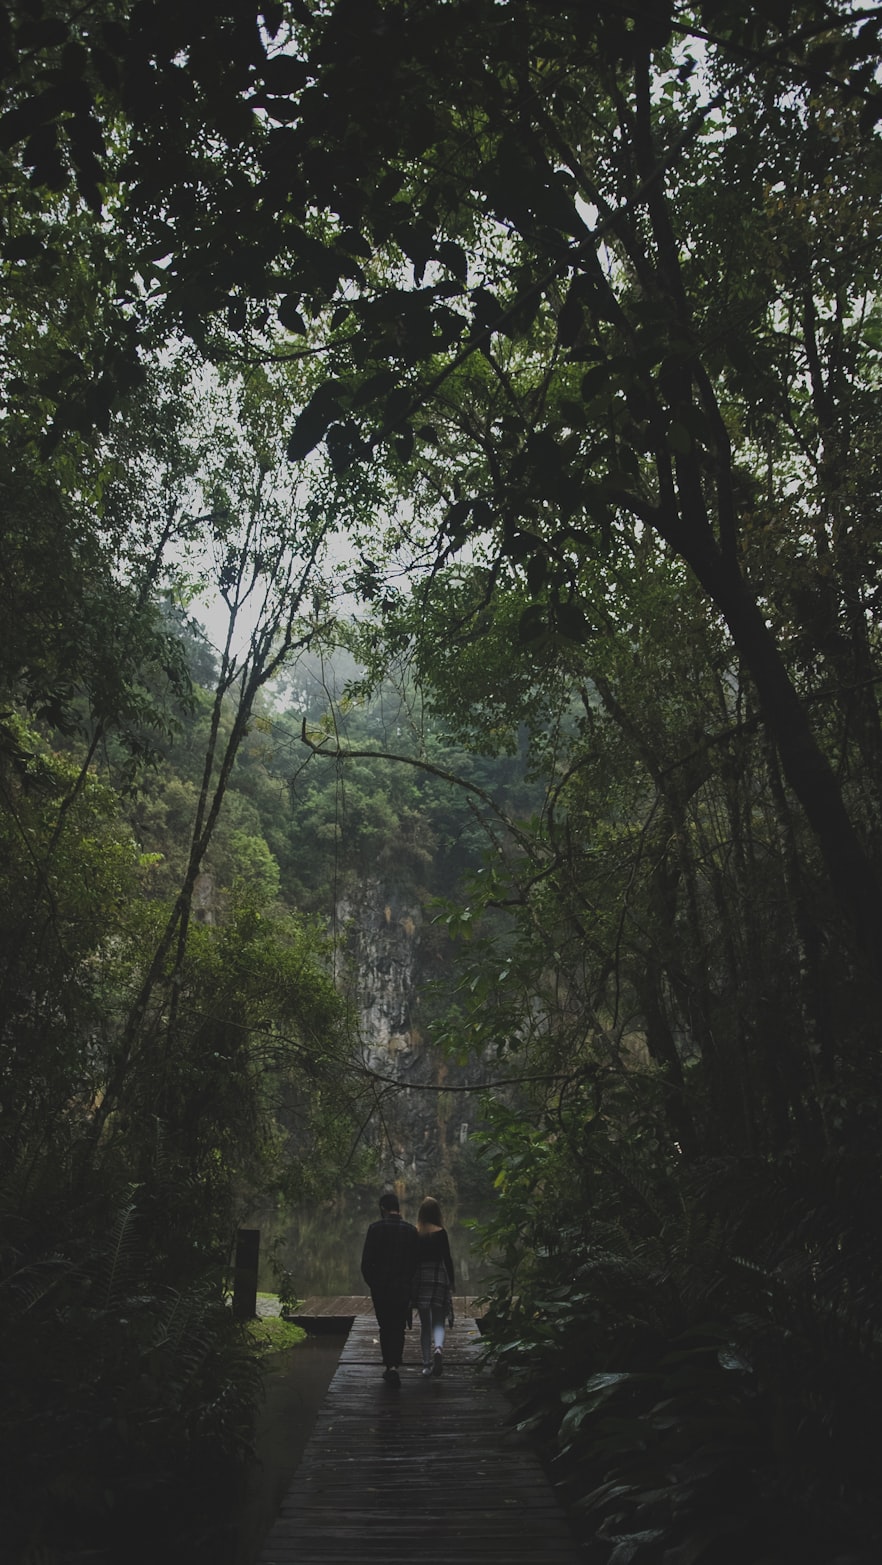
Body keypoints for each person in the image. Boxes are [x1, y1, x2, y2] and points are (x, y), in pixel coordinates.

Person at [360, 1189, 418, 1386]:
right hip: (402, 1288)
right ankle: (395, 1365)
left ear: (383, 1209)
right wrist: (410, 1286)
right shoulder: (411, 1230)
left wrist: (374, 1284)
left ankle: (389, 1366)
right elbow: (415, 1264)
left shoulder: (375, 1229)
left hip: (382, 1288)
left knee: (385, 1327)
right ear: (397, 1209)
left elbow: (366, 1263)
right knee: (399, 1327)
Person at [412, 1195, 455, 1377]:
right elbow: (448, 1259)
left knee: (425, 1324)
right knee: (439, 1319)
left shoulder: (416, 1232)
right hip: (438, 1276)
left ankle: (426, 1364)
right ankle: (438, 1348)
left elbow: (411, 1259)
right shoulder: (441, 1232)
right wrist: (452, 1282)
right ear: (438, 1213)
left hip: (422, 1278)